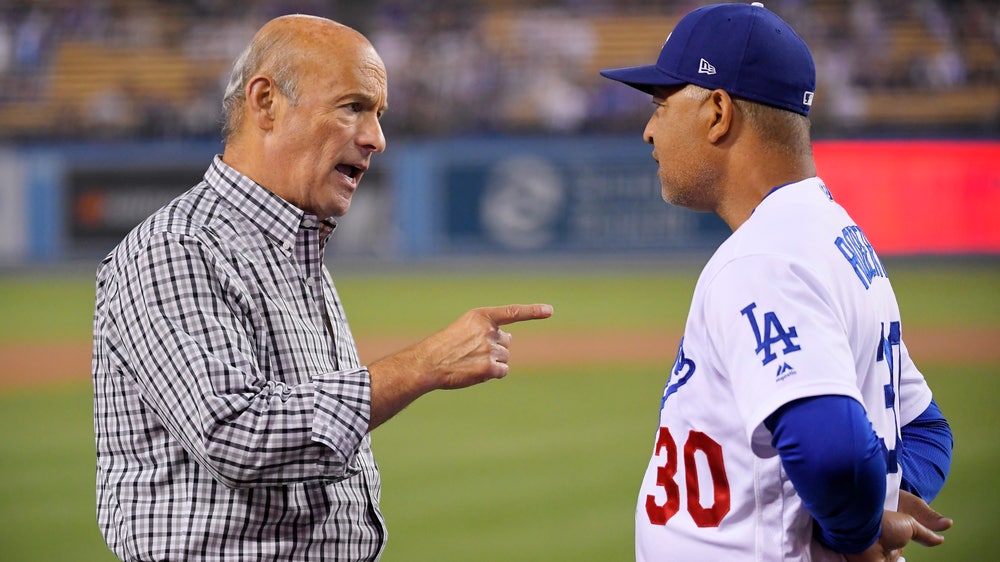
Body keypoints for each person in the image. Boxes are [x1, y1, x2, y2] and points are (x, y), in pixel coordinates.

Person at [91, 14, 552, 561]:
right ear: (266, 103)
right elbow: (235, 434)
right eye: (353, 106)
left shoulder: (295, 250)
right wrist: (423, 365)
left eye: (378, 114)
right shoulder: (178, 247)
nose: (376, 138)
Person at [599, 3, 954, 561]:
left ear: (718, 112)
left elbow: (834, 455)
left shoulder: (763, 257)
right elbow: (926, 431)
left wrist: (856, 532)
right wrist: (878, 503)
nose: (648, 130)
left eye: (661, 104)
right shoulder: (835, 235)